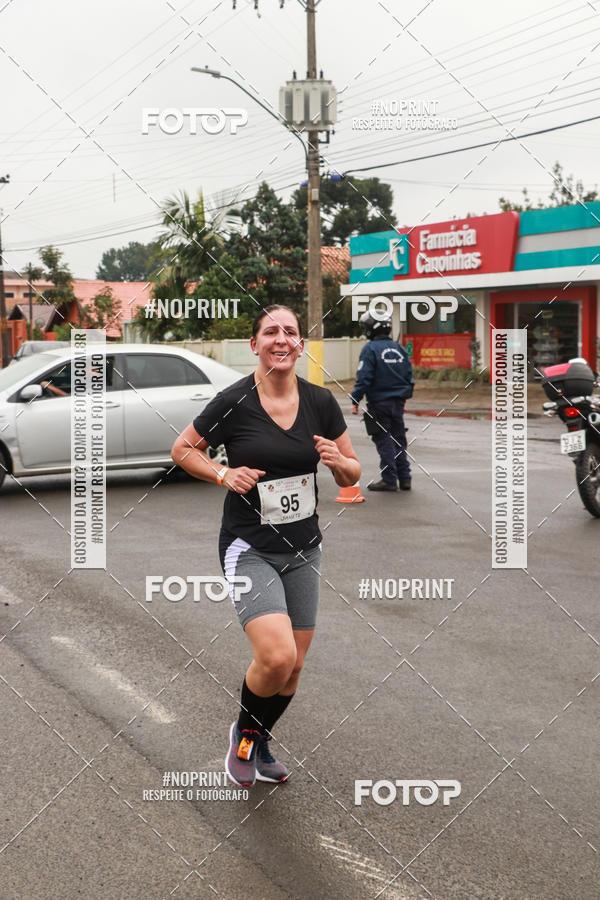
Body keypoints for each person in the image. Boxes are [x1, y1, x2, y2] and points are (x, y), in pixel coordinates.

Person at [171, 305, 360, 787]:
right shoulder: (234, 401)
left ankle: (259, 735)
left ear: (301, 344)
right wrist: (222, 473)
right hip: (247, 546)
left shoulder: (320, 401)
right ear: (254, 345)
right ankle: (244, 739)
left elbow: (353, 473)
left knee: (293, 669)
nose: (282, 339)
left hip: (304, 550)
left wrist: (338, 462)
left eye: (291, 332)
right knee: (275, 658)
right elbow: (183, 449)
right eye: (271, 332)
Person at [350, 310, 414, 492]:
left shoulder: (369, 349)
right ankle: (405, 478)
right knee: (399, 440)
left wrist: (355, 399)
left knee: (383, 439)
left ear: (371, 328)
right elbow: (409, 376)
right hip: (398, 403)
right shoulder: (400, 348)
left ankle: (389, 479)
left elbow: (364, 377)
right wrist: (403, 396)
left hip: (379, 403)